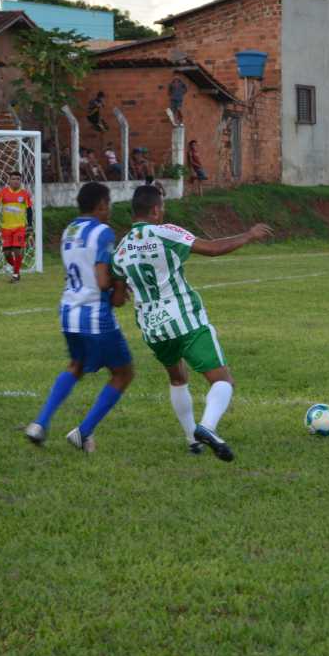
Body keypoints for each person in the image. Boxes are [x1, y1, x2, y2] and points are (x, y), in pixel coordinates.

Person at [113, 185, 273, 461]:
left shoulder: (121, 248)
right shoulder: (165, 232)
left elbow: (117, 297)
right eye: (161, 207)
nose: (163, 211)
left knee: (177, 378)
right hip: (183, 317)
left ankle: (191, 440)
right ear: (154, 210)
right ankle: (207, 428)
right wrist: (249, 234)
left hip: (152, 326)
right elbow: (211, 248)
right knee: (223, 380)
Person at [25, 181, 133, 453]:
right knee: (123, 373)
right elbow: (100, 279)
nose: (109, 211)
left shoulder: (69, 230)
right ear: (101, 205)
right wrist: (119, 285)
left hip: (68, 311)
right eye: (108, 205)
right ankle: (83, 433)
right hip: (94, 314)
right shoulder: (103, 232)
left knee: (75, 365)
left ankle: (39, 423)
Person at [0, 170, 34, 283]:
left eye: (18, 179)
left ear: (21, 181)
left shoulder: (25, 194)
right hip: (6, 228)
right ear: (9, 180)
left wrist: (29, 225)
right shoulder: (3, 192)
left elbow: (29, 211)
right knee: (7, 254)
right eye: (13, 179)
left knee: (17, 250)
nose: (15, 181)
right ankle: (17, 269)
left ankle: (15, 275)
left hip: (20, 227)